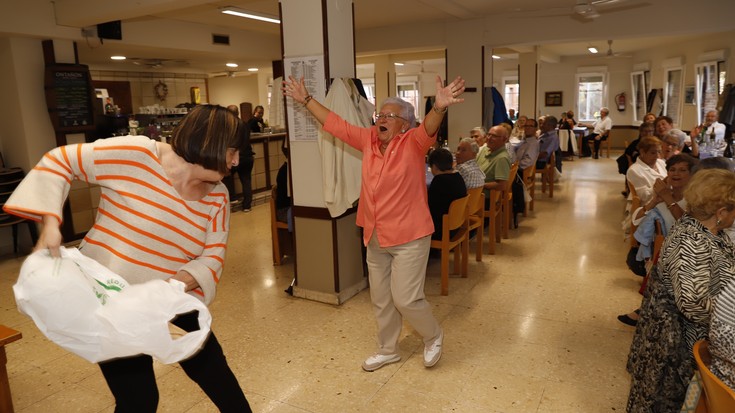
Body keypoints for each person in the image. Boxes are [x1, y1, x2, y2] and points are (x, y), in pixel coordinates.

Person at [3, 105, 252, 412]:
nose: (236, 162)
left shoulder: (218, 196)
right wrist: (51, 224)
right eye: (232, 151)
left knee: (220, 380)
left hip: (169, 296)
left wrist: (170, 287)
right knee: (139, 399)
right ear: (209, 142)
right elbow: (59, 160)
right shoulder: (137, 155)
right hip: (111, 302)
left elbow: (212, 256)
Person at [282, 74, 466, 371]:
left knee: (406, 299)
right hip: (375, 234)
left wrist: (440, 107)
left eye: (390, 115)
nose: (381, 118)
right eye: (380, 113)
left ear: (405, 124)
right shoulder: (367, 139)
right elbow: (335, 124)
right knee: (381, 299)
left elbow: (429, 126)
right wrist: (305, 99)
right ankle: (388, 348)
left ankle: (433, 335)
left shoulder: (413, 143)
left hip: (409, 236)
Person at [626, 168, 735, 412]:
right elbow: (693, 305)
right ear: (720, 213)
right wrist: (728, 312)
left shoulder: (702, 227)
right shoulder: (692, 242)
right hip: (678, 345)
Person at [617, 154, 699, 327]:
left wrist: (667, 198)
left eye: (683, 170)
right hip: (662, 252)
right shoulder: (662, 196)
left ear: (692, 175)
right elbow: (636, 220)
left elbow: (689, 227)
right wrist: (655, 200)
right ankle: (648, 310)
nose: (676, 173)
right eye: (672, 169)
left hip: (688, 253)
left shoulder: (694, 199)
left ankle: (647, 311)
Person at [427, 148, 467, 240]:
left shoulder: (439, 181)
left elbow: (429, 206)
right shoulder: (458, 177)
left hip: (440, 231)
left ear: (434, 166)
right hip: (456, 226)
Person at [223, 105, 255, 212]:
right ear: (238, 113)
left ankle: (232, 199)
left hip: (234, 156)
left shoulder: (227, 125)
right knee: (246, 180)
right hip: (247, 156)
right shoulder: (245, 124)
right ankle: (247, 206)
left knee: (227, 177)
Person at [626, 136, 667, 204]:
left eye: (659, 152)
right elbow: (644, 197)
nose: (657, 156)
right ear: (642, 152)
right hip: (650, 205)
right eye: (653, 153)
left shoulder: (661, 162)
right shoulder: (634, 170)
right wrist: (663, 184)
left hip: (666, 199)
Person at [619, 122, 655, 196]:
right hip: (636, 165)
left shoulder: (655, 143)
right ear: (641, 132)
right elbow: (628, 153)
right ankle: (630, 190)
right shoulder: (636, 143)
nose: (648, 133)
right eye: (645, 131)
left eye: (650, 131)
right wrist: (630, 163)